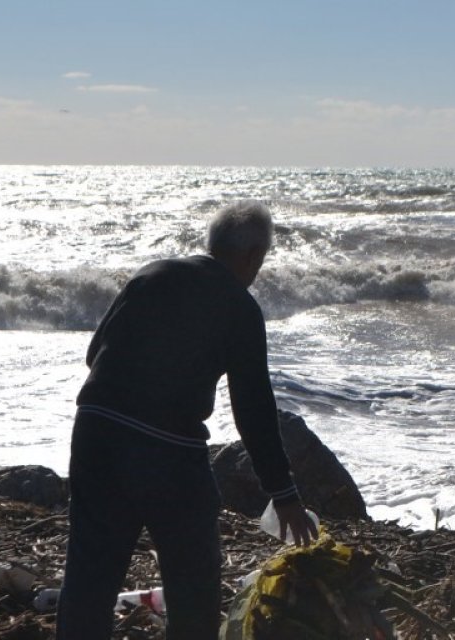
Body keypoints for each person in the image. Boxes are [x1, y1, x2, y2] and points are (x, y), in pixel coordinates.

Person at [57, 200, 318, 639]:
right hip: (168, 451)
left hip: (96, 431)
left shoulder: (151, 273)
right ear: (253, 256)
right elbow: (252, 407)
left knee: (90, 576)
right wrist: (284, 492)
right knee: (193, 580)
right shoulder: (240, 307)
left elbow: (94, 354)